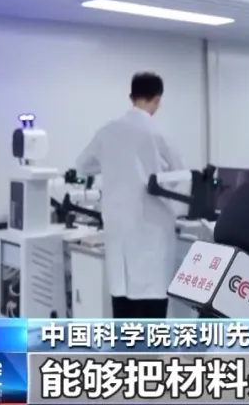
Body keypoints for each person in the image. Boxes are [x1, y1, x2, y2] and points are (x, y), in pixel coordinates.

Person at [75, 72, 183, 319]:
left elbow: (82, 165)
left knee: (123, 302)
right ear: (157, 99)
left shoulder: (108, 131)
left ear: (131, 97)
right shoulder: (158, 134)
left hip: (119, 232)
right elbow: (180, 175)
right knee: (152, 301)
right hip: (151, 231)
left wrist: (110, 166)